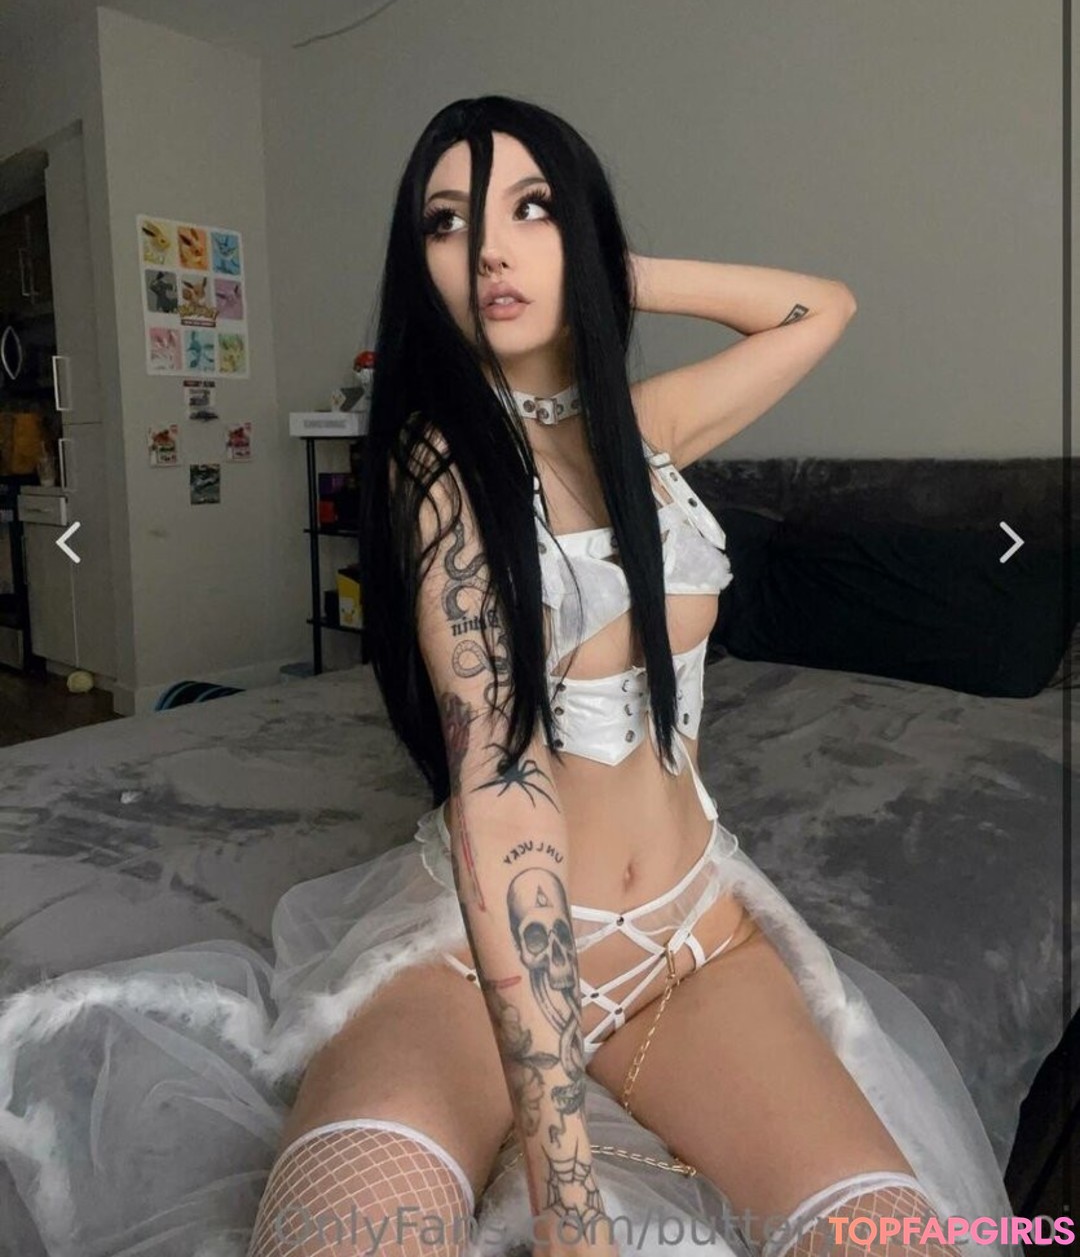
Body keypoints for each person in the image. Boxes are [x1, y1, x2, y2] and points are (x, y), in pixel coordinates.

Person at [0, 96, 1019, 1257]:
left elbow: (820, 309)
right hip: (468, 956)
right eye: (449, 222)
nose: (490, 249)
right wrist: (562, 1180)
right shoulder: (439, 465)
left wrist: (606, 268)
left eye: (530, 208)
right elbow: (498, 784)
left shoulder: (643, 433)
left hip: (696, 944)